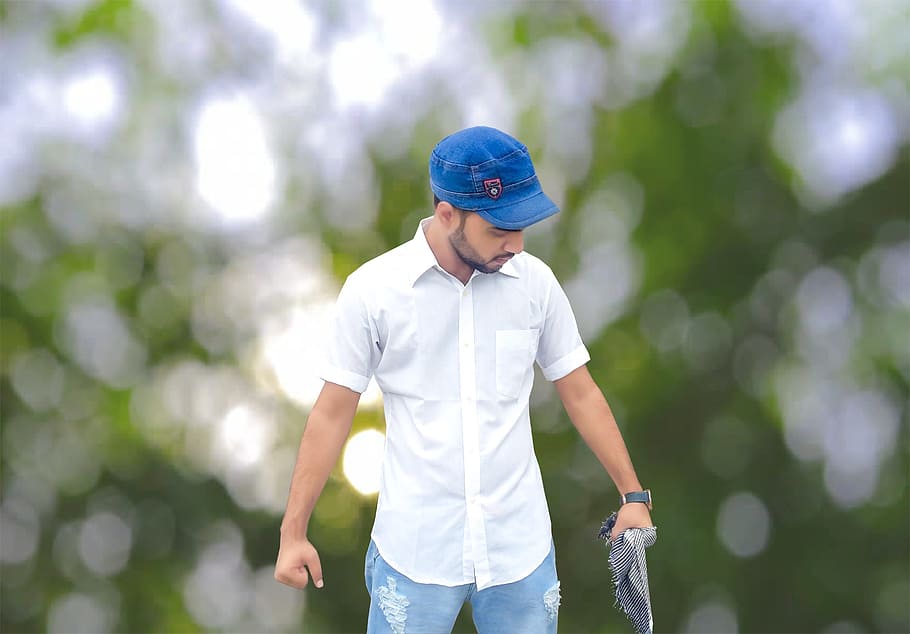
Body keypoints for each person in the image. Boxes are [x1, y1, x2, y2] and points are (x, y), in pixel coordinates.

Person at [275, 126, 654, 633]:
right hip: (415, 553)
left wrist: (632, 496)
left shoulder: (536, 285)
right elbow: (330, 413)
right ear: (447, 213)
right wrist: (294, 531)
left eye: (523, 227)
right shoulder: (373, 292)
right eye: (500, 229)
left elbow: (580, 390)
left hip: (519, 549)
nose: (516, 244)